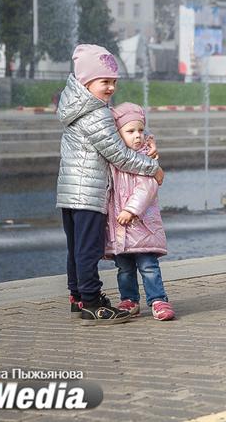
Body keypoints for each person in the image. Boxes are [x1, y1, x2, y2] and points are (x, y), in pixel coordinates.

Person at [57, 44, 164, 326]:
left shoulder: (74, 107)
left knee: (76, 247)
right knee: (88, 249)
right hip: (89, 193)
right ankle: (91, 302)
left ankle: (78, 297)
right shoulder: (96, 113)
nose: (111, 88)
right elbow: (118, 154)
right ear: (85, 81)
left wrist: (146, 141)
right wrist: (152, 168)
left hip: (70, 192)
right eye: (105, 81)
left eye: (114, 82)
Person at [105, 102, 175, 321]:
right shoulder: (114, 159)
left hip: (142, 224)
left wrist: (131, 210)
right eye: (130, 131)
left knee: (148, 266)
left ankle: (158, 299)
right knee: (124, 268)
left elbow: (148, 187)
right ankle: (129, 300)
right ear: (118, 133)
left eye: (140, 130)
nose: (137, 136)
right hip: (120, 227)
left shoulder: (146, 158)